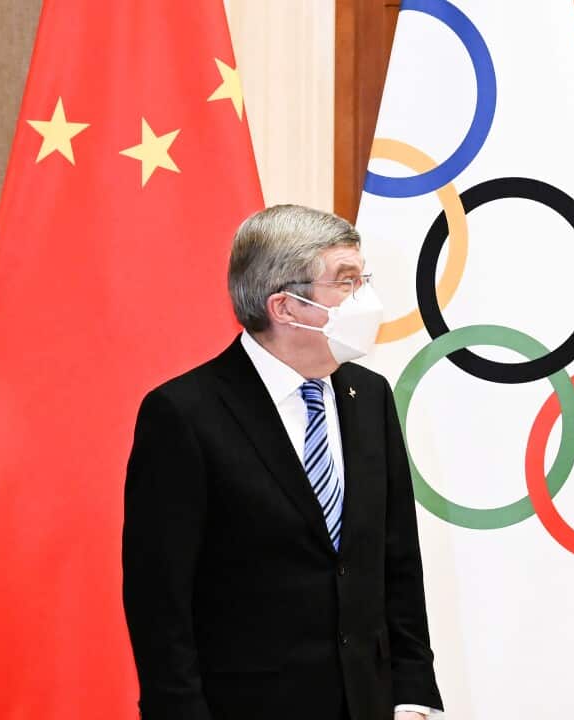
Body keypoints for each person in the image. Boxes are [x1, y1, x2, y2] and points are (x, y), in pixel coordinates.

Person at [123, 204, 442, 720]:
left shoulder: (370, 396)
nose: (366, 300)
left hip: (367, 701)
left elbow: (397, 556)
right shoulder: (183, 414)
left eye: (363, 279)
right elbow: (160, 602)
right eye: (346, 281)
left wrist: (413, 694)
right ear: (286, 306)